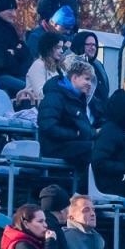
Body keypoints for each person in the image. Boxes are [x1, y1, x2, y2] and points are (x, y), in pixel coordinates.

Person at [37, 55, 97, 187]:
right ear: (74, 78)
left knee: (103, 147)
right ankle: (86, 191)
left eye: (91, 80)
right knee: (95, 151)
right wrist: (74, 134)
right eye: (87, 79)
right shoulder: (55, 96)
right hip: (55, 147)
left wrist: (97, 134)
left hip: (72, 145)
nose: (89, 84)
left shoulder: (77, 98)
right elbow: (47, 125)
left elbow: (83, 127)